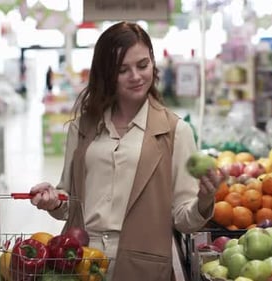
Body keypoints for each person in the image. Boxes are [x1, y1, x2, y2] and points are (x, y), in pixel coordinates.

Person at [29, 21, 222, 281]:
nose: (136, 76)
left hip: (142, 267)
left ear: (153, 63)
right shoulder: (83, 127)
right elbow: (69, 201)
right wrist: (54, 199)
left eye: (143, 65)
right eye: (123, 70)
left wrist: (204, 200)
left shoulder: (176, 131)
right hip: (78, 262)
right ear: (106, 74)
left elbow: (182, 218)